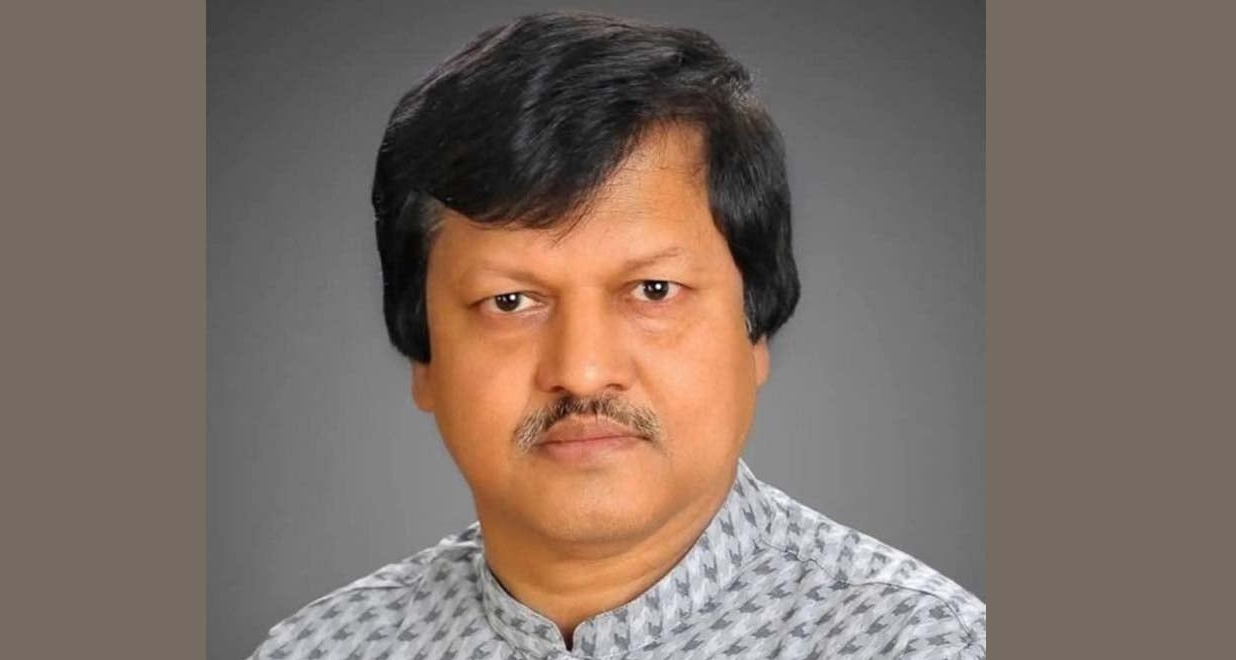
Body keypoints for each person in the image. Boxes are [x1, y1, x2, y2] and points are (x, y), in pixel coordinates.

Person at [248, 10, 985, 660]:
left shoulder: (923, 644)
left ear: (755, 326)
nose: (582, 369)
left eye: (653, 291)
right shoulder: (318, 650)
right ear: (423, 358)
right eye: (510, 301)